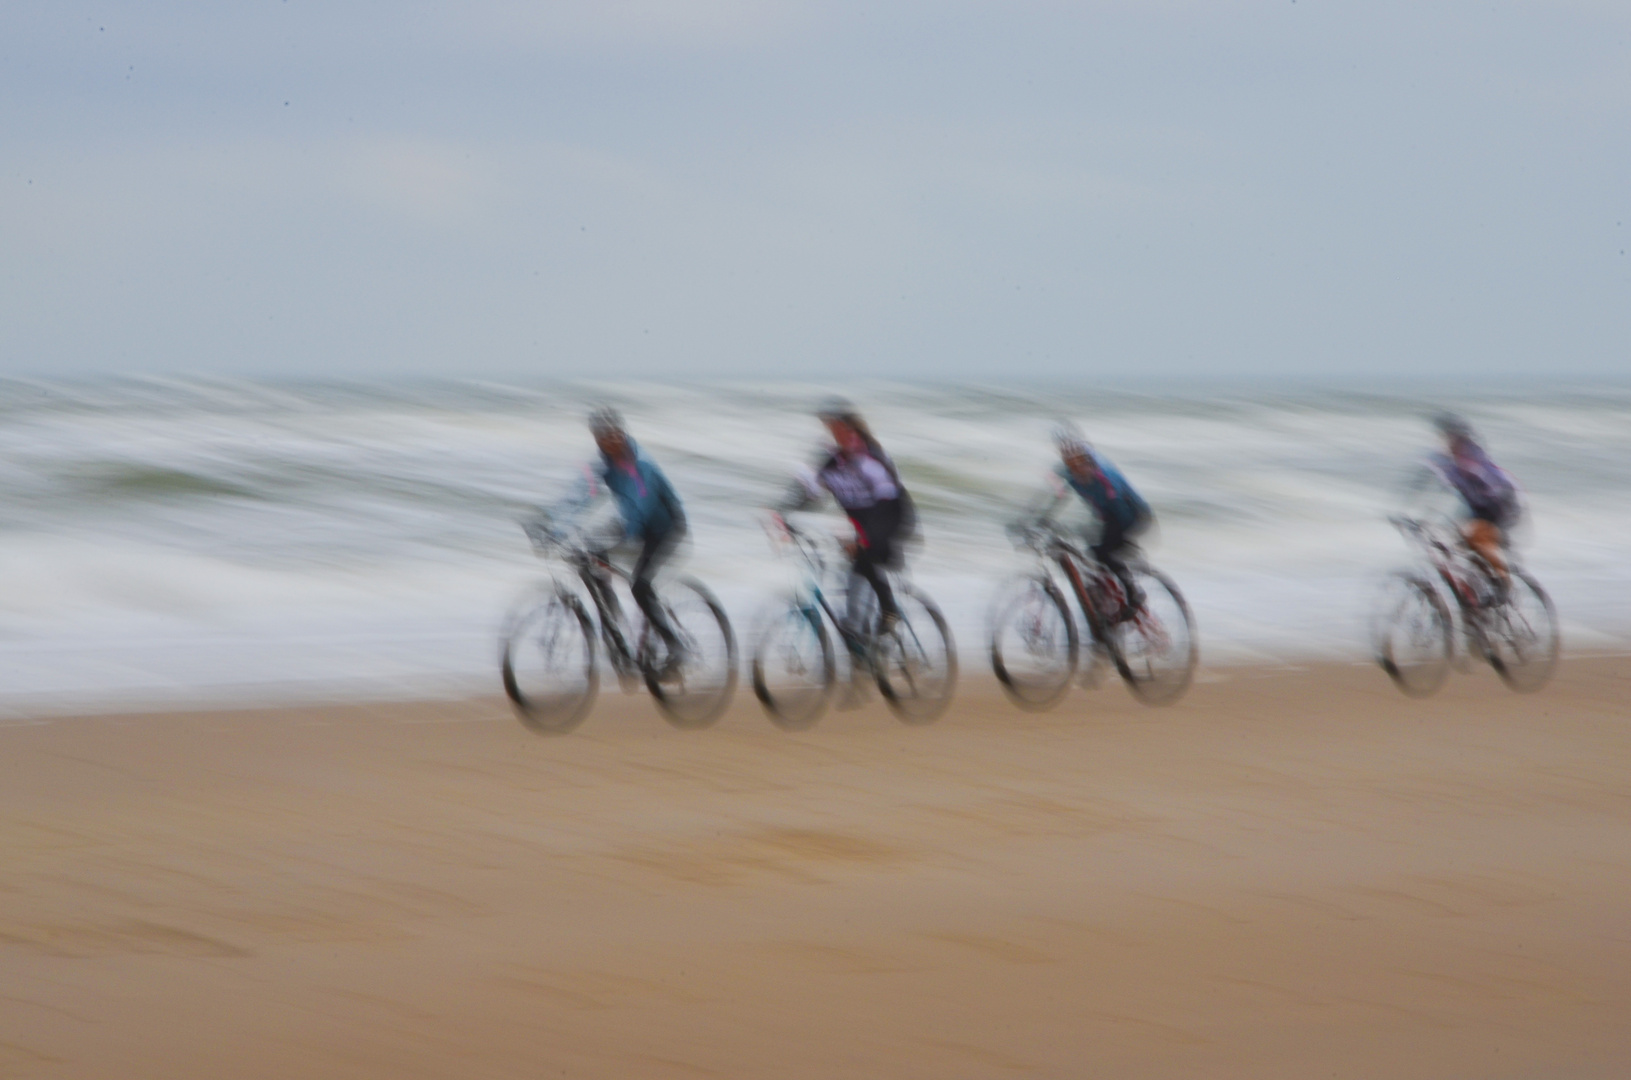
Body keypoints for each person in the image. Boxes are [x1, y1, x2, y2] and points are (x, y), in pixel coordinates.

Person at [545, 406, 687, 661]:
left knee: (640, 587)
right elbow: (580, 495)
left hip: (665, 526)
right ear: (596, 439)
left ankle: (677, 648)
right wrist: (554, 528)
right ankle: (614, 623)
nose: (610, 440)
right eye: (602, 436)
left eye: (614, 434)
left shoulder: (641, 464)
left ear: (622, 433)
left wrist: (621, 539)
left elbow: (640, 504)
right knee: (589, 556)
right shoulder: (603, 465)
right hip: (632, 520)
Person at [773, 398, 914, 644]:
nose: (832, 432)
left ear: (851, 429)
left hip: (892, 516)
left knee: (865, 552)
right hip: (863, 524)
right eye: (829, 427)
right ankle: (860, 639)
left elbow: (886, 501)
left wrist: (864, 537)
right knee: (849, 569)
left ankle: (889, 610)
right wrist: (782, 514)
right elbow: (809, 492)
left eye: (836, 426)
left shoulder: (870, 459)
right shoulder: (831, 462)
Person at [1032, 422, 1152, 619]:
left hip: (1133, 515)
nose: (1076, 466)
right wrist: (1036, 519)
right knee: (1084, 545)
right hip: (1108, 517)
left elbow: (1119, 512)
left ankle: (1134, 593)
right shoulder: (1068, 471)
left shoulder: (1103, 474)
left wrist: (1118, 543)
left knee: (1104, 554)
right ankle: (1103, 602)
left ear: (1085, 455)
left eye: (1079, 460)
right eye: (1069, 461)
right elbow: (1056, 495)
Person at [1426, 412, 1519, 594]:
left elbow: (1490, 483)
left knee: (1478, 537)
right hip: (1477, 507)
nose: (1446, 441)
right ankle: (1475, 596)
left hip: (1499, 503)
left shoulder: (1472, 456)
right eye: (1444, 436)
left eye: (1449, 436)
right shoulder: (1450, 460)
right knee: (1457, 545)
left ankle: (1503, 580)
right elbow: (1432, 480)